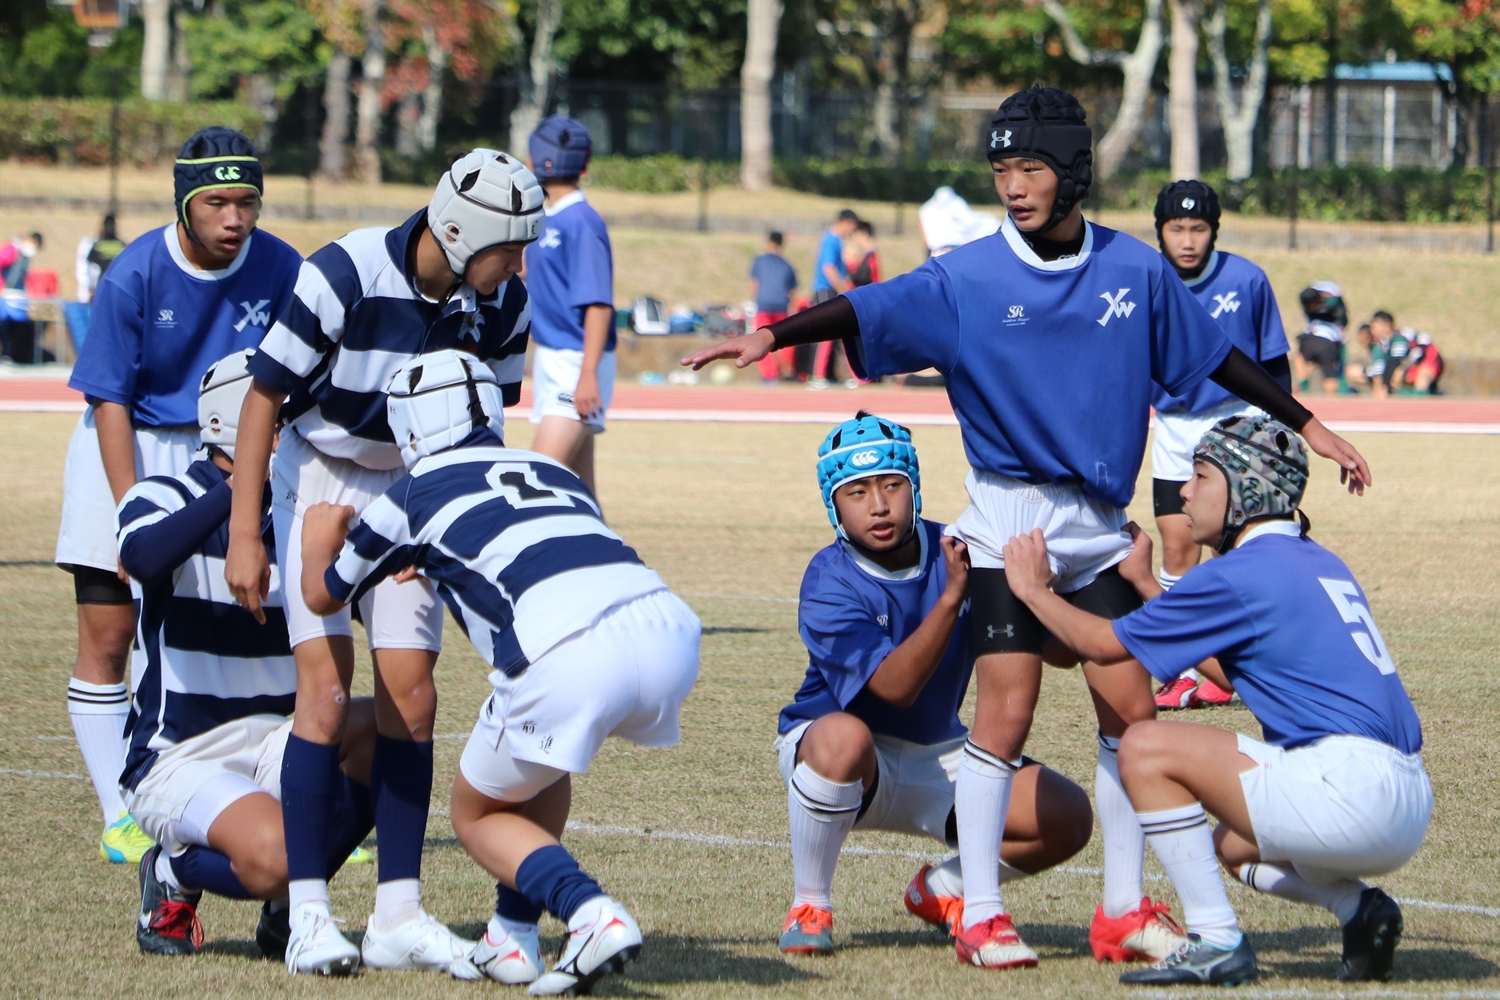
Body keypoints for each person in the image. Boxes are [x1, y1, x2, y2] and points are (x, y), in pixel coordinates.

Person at [684, 85, 1371, 971]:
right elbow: (868, 308)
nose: (1013, 185)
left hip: (1100, 525)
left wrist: (1310, 425)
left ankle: (1121, 910)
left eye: (1031, 167)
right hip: (1012, 520)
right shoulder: (965, 278)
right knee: (1006, 714)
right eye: (1002, 168)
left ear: (1073, 172)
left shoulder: (1136, 270)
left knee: (1134, 717)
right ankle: (979, 910)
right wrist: (772, 336)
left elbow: (1216, 357)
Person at [224, 148, 540, 975]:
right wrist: (246, 531)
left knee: (413, 699)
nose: (520, 268)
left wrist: (442, 524)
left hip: (416, 484)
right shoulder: (344, 270)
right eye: (511, 249)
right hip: (318, 480)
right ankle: (307, 917)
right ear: (460, 232)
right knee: (325, 697)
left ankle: (398, 912)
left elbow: (487, 422)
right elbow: (263, 397)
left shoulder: (503, 300)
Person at [298, 350, 700, 995]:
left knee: (477, 813)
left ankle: (587, 912)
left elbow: (324, 595)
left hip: (564, 648)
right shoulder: (550, 467)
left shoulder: (411, 493)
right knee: (540, 765)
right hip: (666, 625)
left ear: (408, 427)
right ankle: (512, 937)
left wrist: (318, 536)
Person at [1000, 414, 1428, 986]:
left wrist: (1032, 590)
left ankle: (1216, 939)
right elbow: (1231, 675)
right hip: (1404, 799)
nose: (1185, 491)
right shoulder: (1317, 558)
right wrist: (1147, 584)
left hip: (1350, 793)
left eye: (1201, 475)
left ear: (1246, 489)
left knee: (1144, 745)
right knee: (1234, 845)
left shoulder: (1236, 573)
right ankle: (1358, 908)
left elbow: (1101, 645)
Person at [55, 126, 302, 868]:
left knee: (256, 625)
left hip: (240, 448)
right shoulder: (133, 271)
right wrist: (132, 509)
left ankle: (288, 798)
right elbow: (109, 399)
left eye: (247, 202)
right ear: (184, 203)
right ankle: (120, 814)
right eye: (216, 203)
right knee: (110, 636)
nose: (234, 218)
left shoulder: (282, 266)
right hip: (132, 445)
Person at [775, 413, 1092, 959]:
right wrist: (952, 599)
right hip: (843, 756)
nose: (878, 506)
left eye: (891, 485)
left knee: (1066, 816)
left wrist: (1042, 590)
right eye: (857, 492)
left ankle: (943, 889)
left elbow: (1062, 654)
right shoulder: (828, 577)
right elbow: (892, 690)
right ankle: (810, 904)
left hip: (938, 753)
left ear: (914, 486)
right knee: (844, 736)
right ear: (834, 504)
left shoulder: (965, 549)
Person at [116, 349, 376, 962]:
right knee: (278, 858)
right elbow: (143, 558)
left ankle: (288, 910)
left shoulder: (298, 510)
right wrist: (242, 493)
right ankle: (173, 871)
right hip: (180, 755)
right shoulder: (163, 492)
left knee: (389, 730)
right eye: (286, 418)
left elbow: (368, 610)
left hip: (279, 741)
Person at [1148, 181, 1289, 711]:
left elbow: (1274, 363)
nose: (1187, 240)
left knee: (1234, 549)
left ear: (1215, 231)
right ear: (1160, 231)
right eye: (1176, 228)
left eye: (1199, 228)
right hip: (1173, 427)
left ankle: (1248, 666)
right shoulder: (1145, 280)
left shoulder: (1247, 279)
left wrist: (1282, 430)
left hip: (1237, 425)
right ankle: (1184, 669)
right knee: (1177, 547)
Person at [525, 115, 617, 495]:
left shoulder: (581, 221)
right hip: (554, 359)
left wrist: (587, 373)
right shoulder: (545, 217)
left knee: (532, 483)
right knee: (580, 496)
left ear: (539, 160)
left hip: (576, 361)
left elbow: (598, 303)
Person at [807, 210, 859, 389]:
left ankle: (836, 374)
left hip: (832, 291)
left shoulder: (837, 241)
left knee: (839, 334)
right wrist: (842, 290)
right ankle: (818, 376)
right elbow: (828, 268)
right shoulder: (830, 239)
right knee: (826, 334)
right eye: (851, 226)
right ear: (843, 222)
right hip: (826, 291)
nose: (852, 230)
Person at [749, 232, 799, 383]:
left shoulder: (759, 261)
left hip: (763, 305)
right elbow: (792, 290)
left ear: (768, 242)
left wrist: (757, 298)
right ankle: (787, 371)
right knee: (785, 340)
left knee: (762, 340)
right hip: (781, 306)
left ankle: (769, 375)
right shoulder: (787, 264)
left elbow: (754, 283)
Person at [1294, 281, 1346, 395]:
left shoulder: (1332, 300)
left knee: (1302, 360)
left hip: (1311, 339)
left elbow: (1342, 318)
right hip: (1328, 342)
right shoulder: (1309, 299)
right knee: (1330, 375)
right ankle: (1332, 400)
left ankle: (1302, 387)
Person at [918, 186, 1001, 258]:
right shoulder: (956, 204)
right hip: (953, 249)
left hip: (941, 251)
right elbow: (969, 222)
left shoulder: (926, 209)